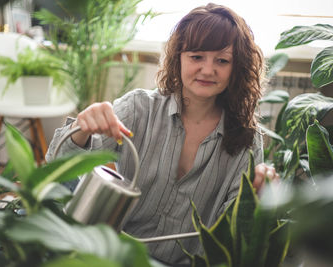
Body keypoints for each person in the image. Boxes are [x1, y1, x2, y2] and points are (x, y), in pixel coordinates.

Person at [46, 3, 279, 266]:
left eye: (222, 61)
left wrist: (261, 199)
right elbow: (58, 165)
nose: (208, 69)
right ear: (178, 56)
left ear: (236, 69)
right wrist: (81, 130)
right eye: (197, 56)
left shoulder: (247, 141)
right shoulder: (139, 108)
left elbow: (234, 229)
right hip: (112, 257)